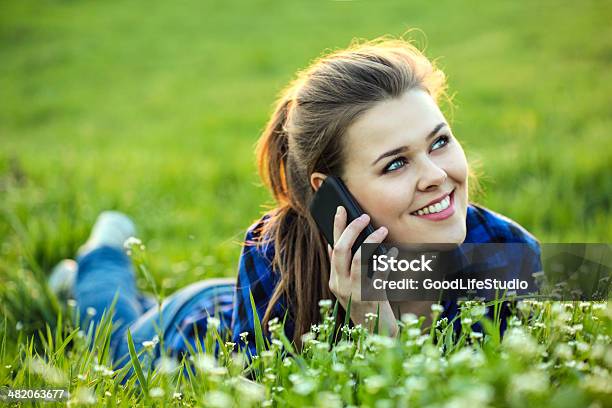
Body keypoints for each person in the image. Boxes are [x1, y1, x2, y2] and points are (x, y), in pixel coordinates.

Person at [49, 38, 541, 371]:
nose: (437, 177)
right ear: (333, 194)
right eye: (395, 164)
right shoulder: (273, 262)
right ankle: (103, 252)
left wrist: (385, 328)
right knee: (108, 336)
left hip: (229, 306)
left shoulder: (508, 252)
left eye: (438, 143)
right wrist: (368, 319)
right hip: (192, 332)